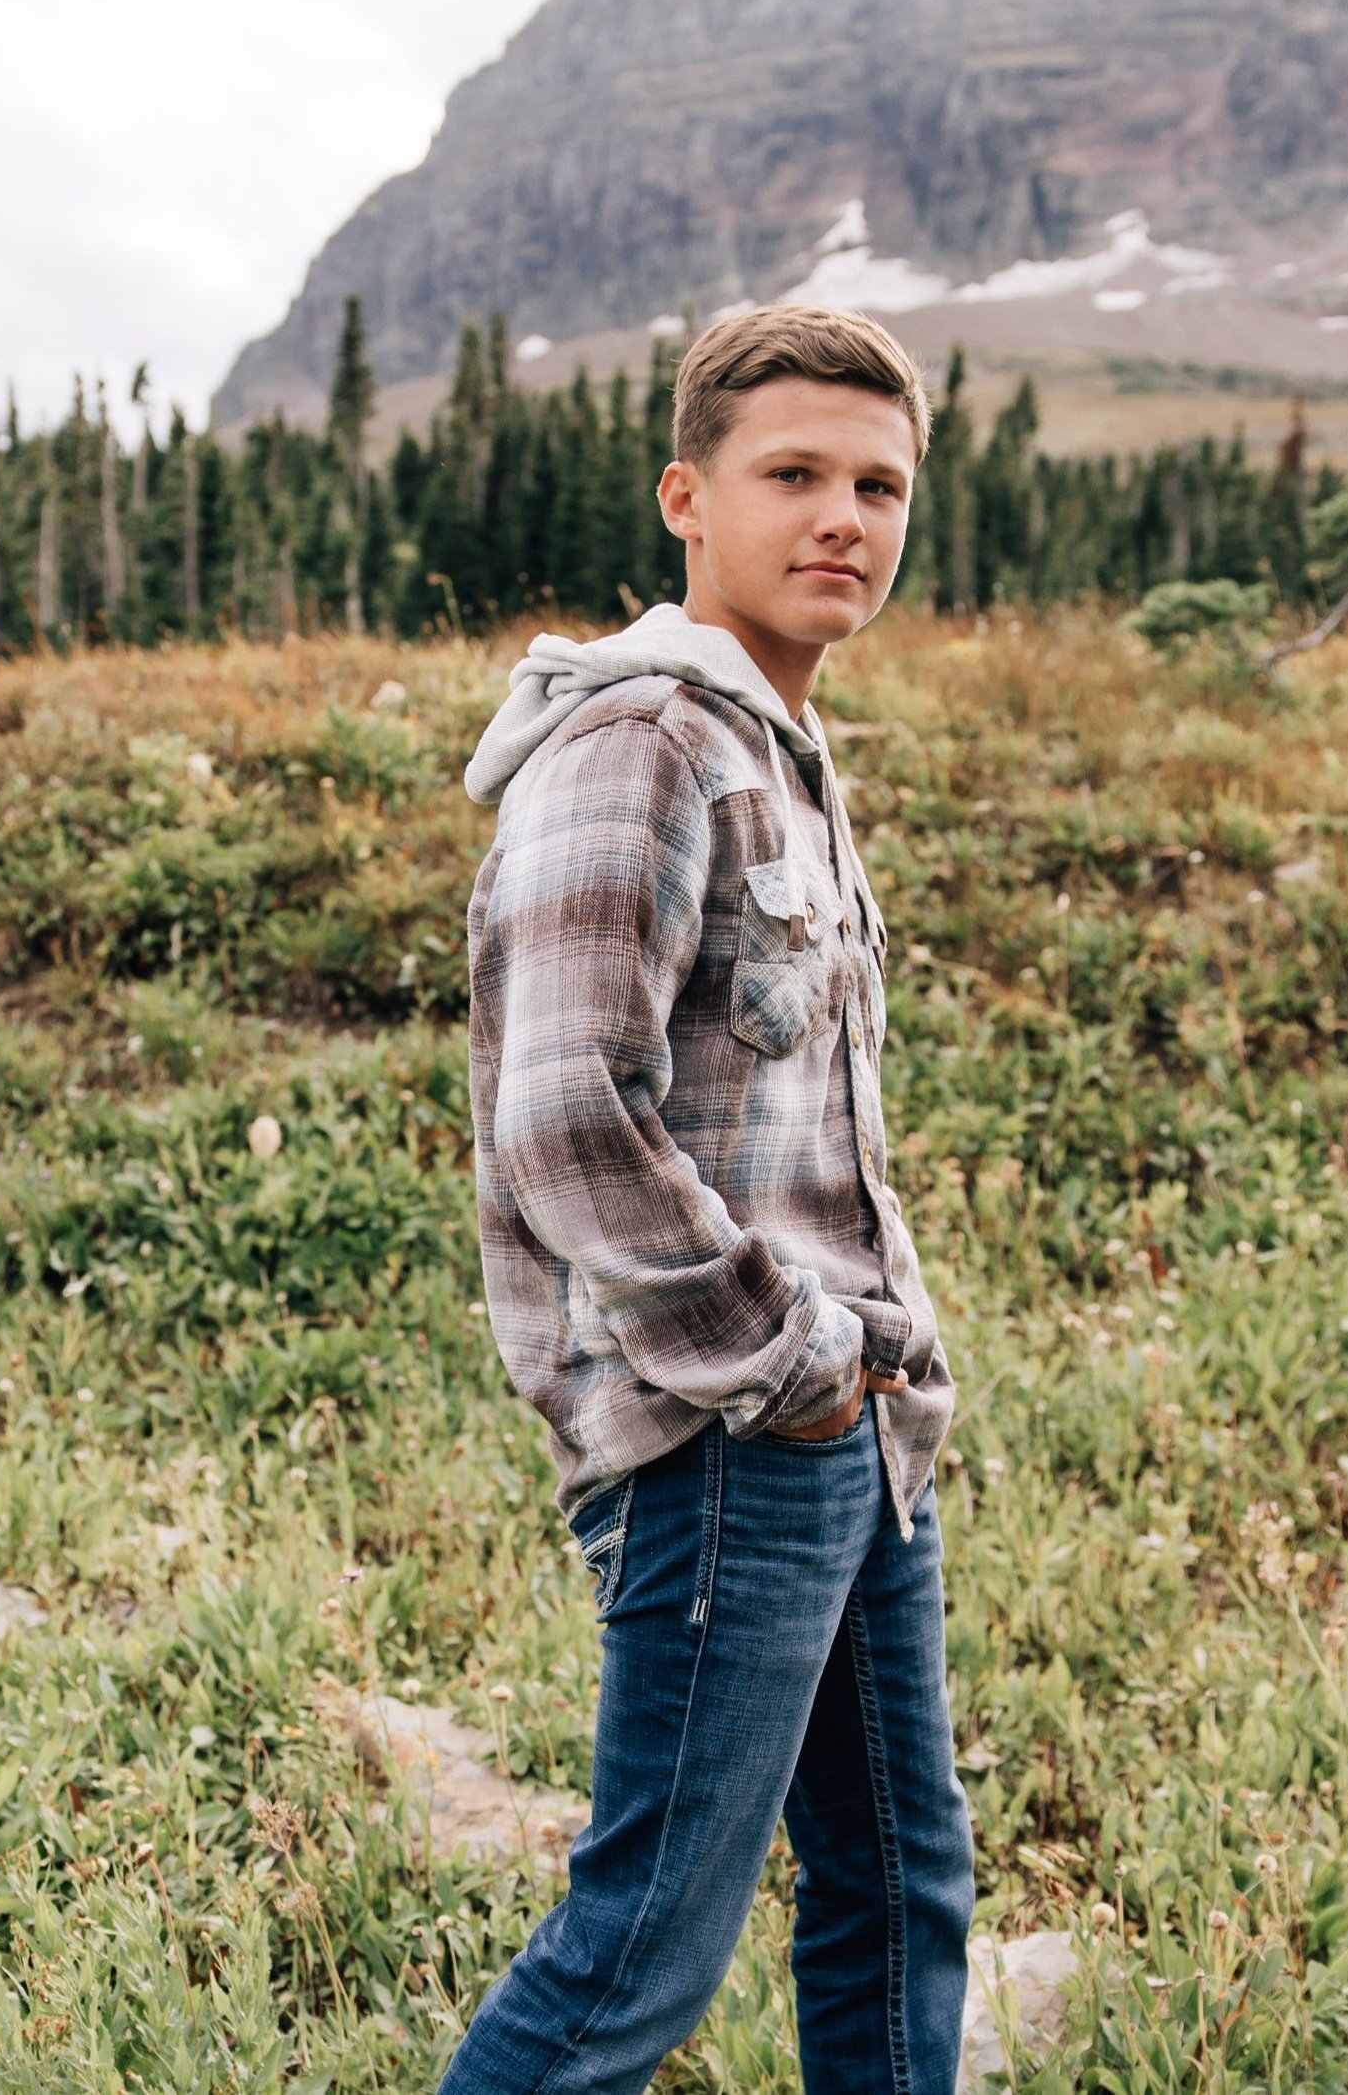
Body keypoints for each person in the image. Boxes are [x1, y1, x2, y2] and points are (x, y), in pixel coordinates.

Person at [447, 306, 972, 2095]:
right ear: (689, 496)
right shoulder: (645, 744)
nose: (846, 518)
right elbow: (567, 1116)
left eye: (880, 486)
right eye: (796, 477)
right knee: (641, 1957)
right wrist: (792, 1363)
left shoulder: (782, 754)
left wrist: (858, 1378)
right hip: (736, 1435)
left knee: (899, 1896)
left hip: (852, 1432)